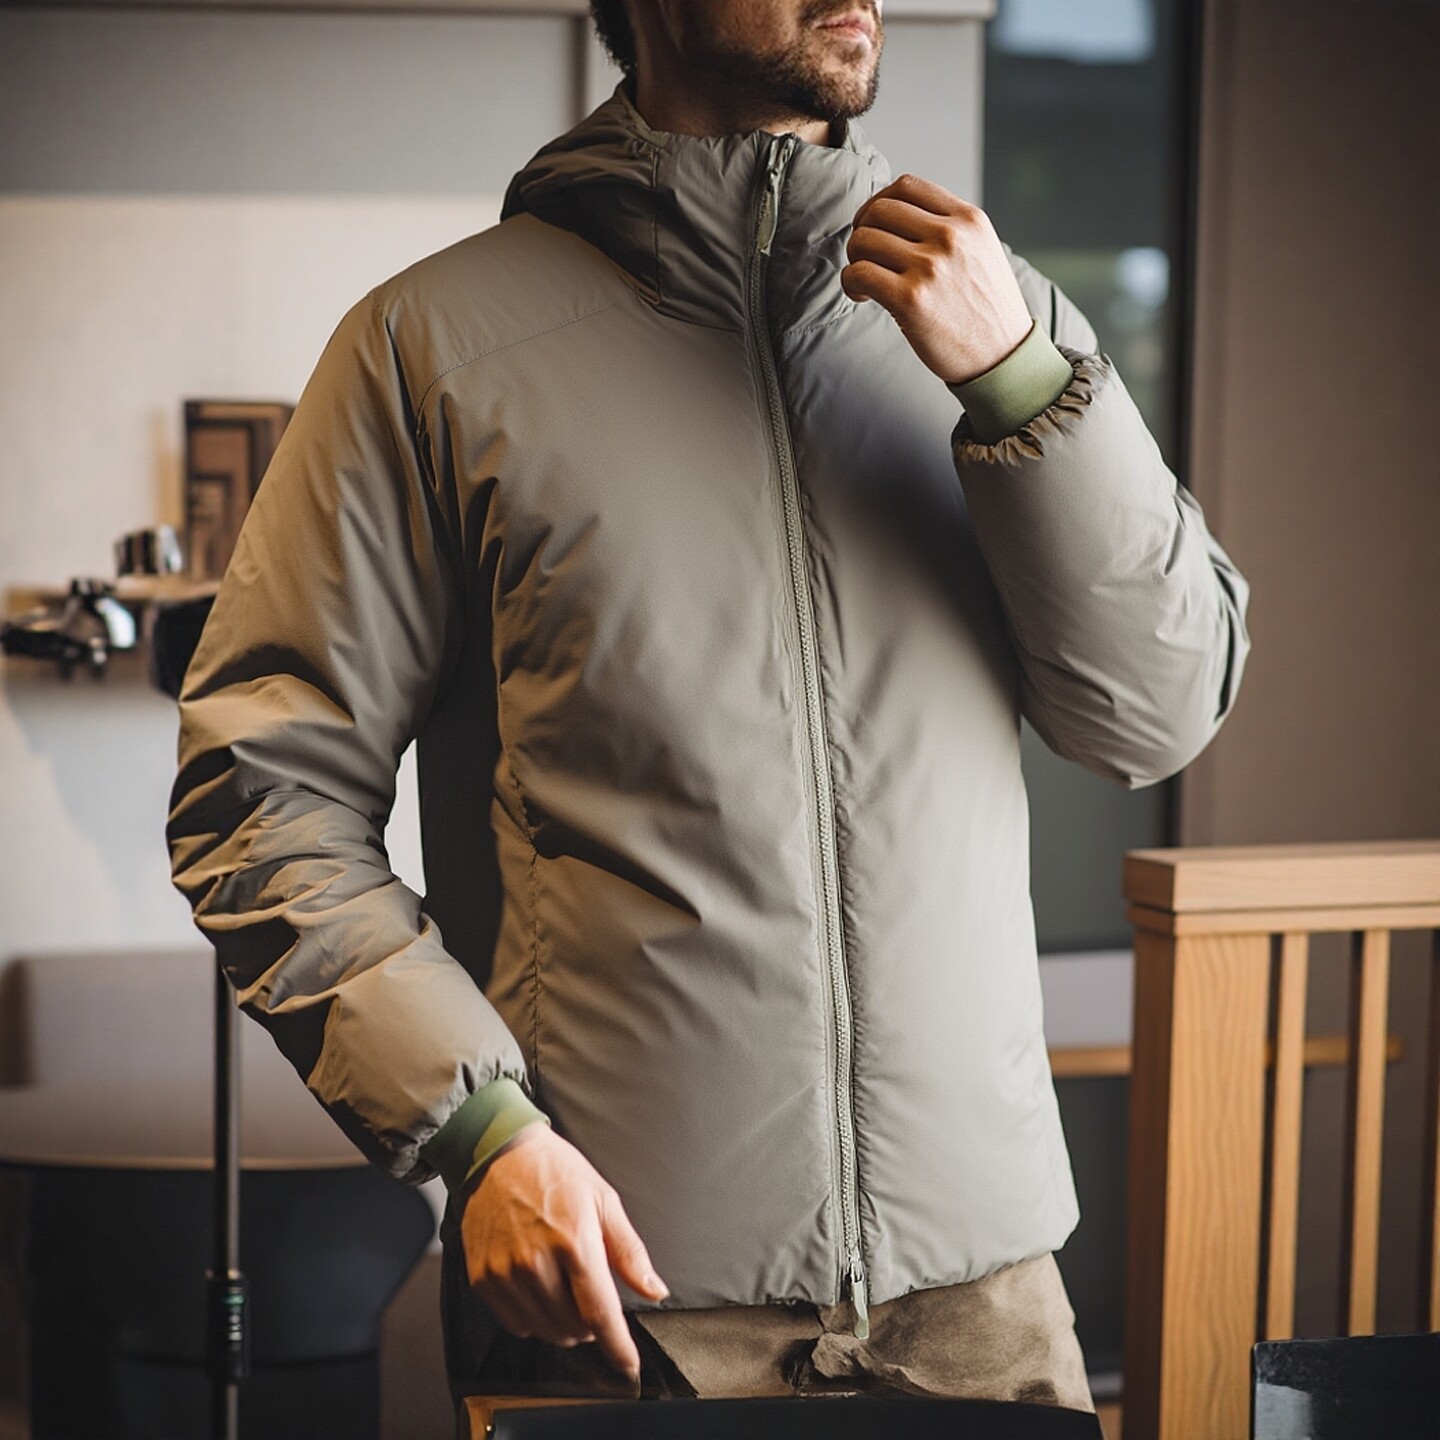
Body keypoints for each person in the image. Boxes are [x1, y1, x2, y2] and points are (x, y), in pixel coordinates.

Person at [167, 0, 1250, 1422]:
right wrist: (478, 1135)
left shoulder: (998, 317)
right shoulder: (427, 348)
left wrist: (1022, 383)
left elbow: (1155, 712)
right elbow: (263, 794)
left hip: (987, 1312)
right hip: (625, 1302)